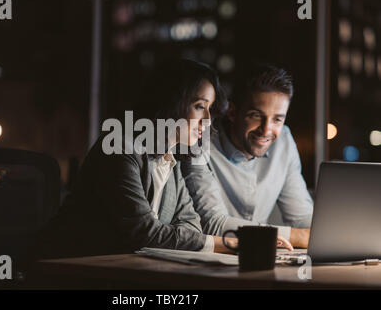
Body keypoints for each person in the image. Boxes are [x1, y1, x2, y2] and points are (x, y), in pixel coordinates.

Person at [35, 59, 292, 259]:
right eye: (200, 106)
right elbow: (144, 232)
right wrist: (231, 243)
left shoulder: (170, 160)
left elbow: (191, 225)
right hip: (72, 271)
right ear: (173, 102)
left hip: (123, 273)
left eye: (210, 109)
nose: (207, 121)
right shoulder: (119, 148)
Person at [182, 63, 312, 248]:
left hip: (260, 259)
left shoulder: (284, 141)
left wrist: (329, 234)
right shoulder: (200, 139)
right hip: (211, 262)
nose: (266, 130)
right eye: (256, 115)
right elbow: (213, 224)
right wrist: (297, 237)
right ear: (232, 112)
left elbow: (301, 218)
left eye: (277, 119)